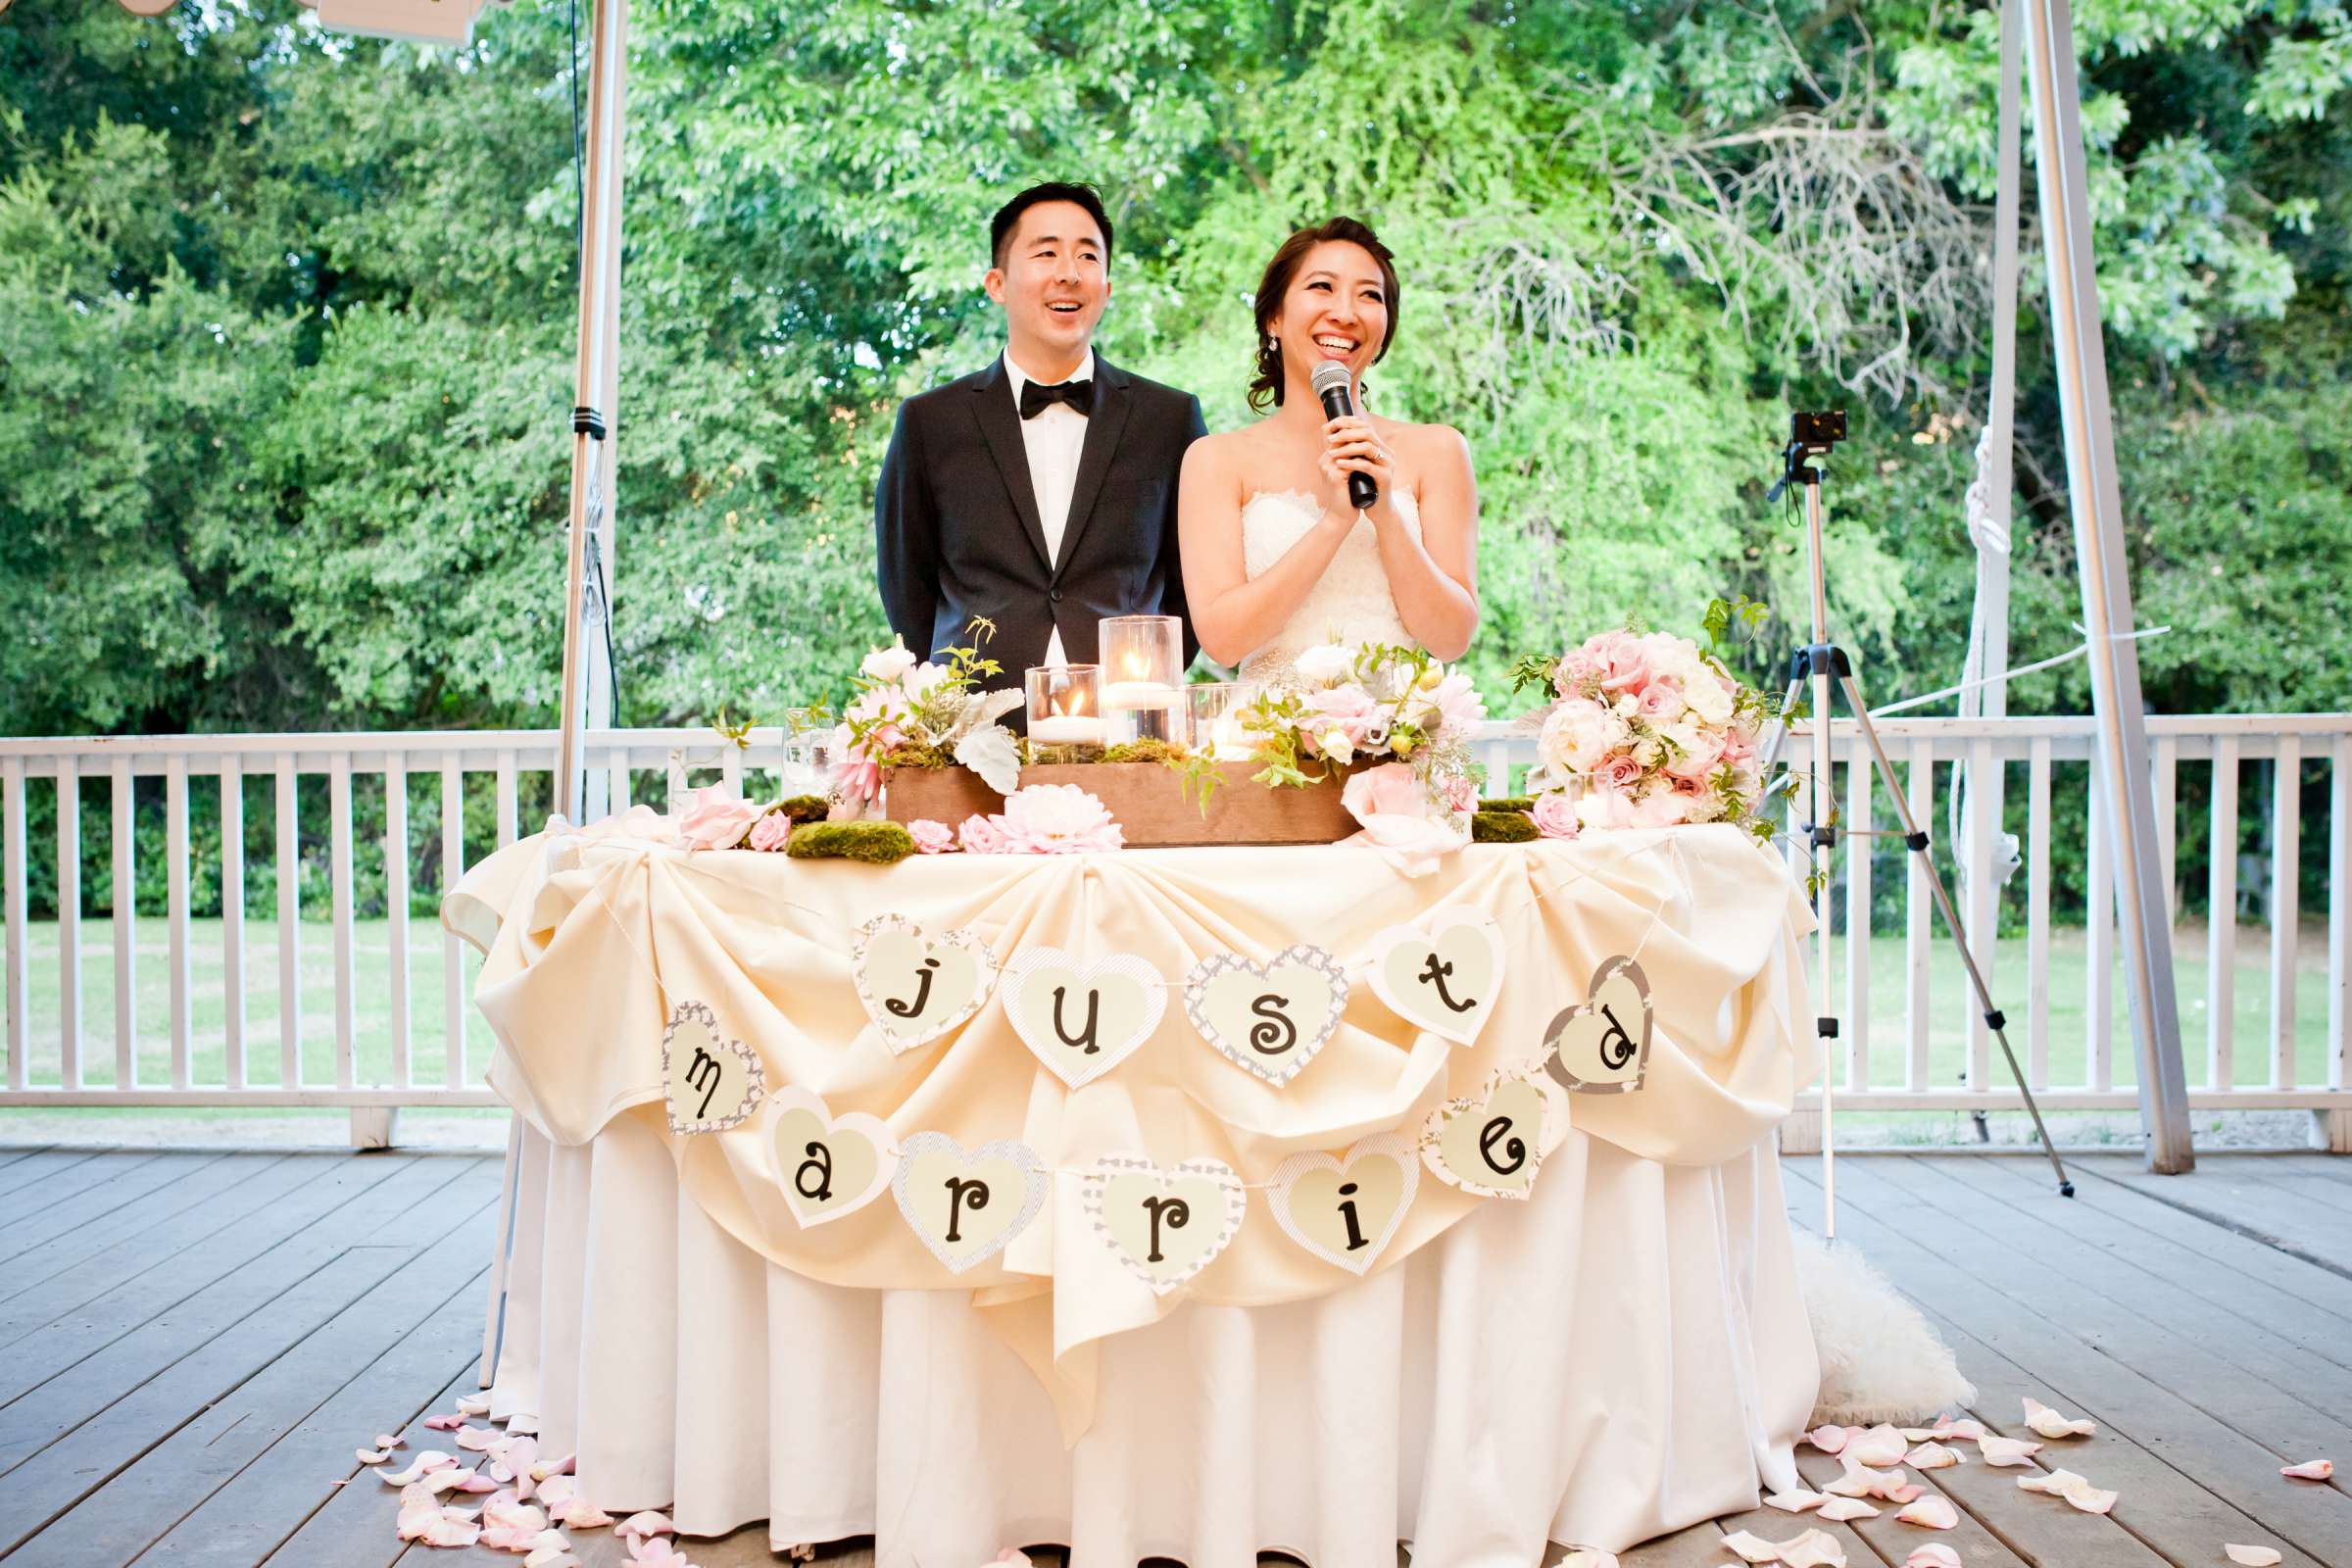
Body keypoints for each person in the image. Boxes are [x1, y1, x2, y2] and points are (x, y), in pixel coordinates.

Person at [873, 181, 1207, 701]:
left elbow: (1195, 584)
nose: (1069, 273)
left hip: (1126, 726)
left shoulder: (1169, 419)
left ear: (1107, 287)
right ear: (997, 283)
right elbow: (906, 587)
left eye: (1087, 256)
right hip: (974, 727)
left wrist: (1149, 687)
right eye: (1047, 252)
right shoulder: (928, 422)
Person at [1177, 217, 1479, 686]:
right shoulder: (1215, 461)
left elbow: (1451, 638)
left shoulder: (1438, 450)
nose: (1345, 312)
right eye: (1323, 287)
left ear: (1382, 332)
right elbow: (1223, 640)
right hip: (1266, 744)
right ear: (1273, 317)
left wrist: (1385, 517)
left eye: (1369, 295)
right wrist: (1335, 524)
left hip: (1401, 740)